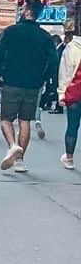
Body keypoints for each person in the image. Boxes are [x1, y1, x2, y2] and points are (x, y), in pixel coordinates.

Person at [0, 0, 58, 173]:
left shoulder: (11, 31)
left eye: (23, 8)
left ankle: (13, 146)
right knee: (25, 121)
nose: (21, 10)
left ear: (28, 12)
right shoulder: (44, 36)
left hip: (11, 82)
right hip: (33, 84)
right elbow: (53, 60)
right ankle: (20, 161)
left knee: (5, 119)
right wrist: (44, 78)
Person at [58, 23, 81, 169]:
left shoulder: (72, 47)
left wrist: (61, 93)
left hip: (75, 94)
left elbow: (65, 72)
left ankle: (69, 158)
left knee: (72, 126)